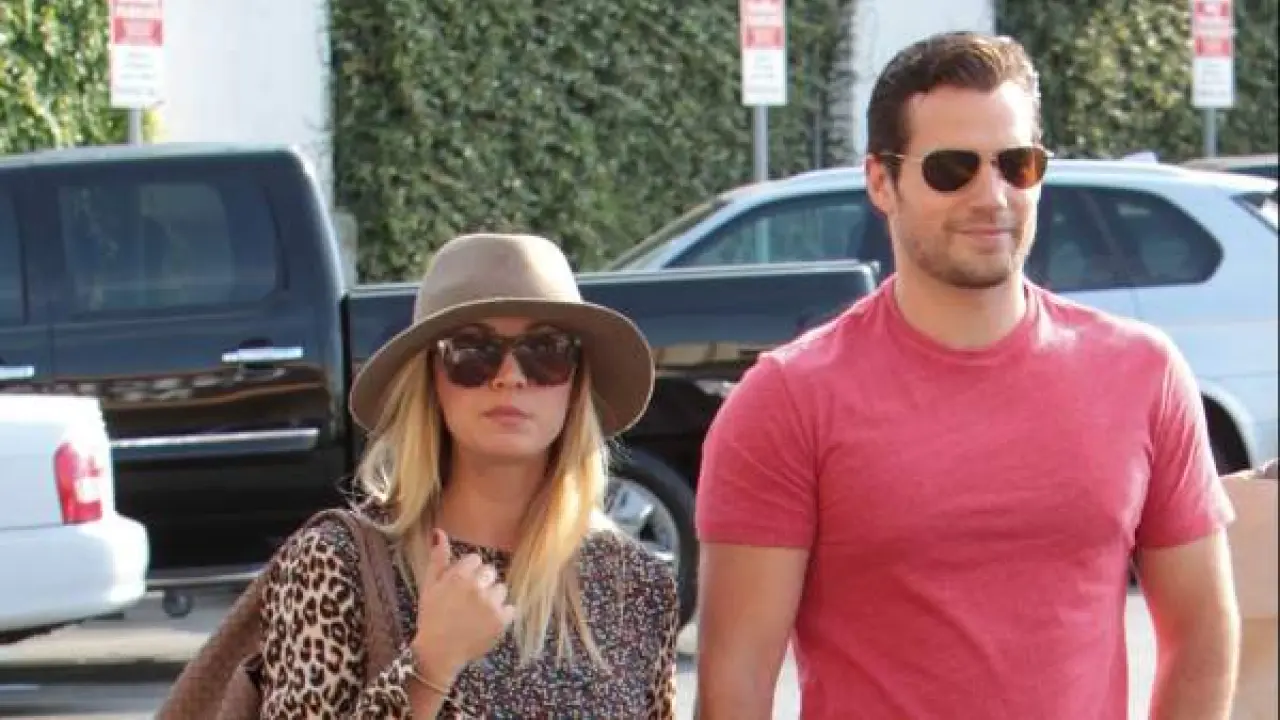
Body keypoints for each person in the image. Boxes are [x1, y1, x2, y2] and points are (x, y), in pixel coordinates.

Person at [693, 31, 1239, 720]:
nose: (992, 195)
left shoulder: (1143, 373)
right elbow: (736, 680)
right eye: (951, 169)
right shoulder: (788, 399)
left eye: (1017, 164)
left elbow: (1202, 632)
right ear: (880, 182)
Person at [255, 233, 680, 718]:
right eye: (473, 350)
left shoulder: (637, 585)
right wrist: (431, 664)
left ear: (576, 380)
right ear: (430, 378)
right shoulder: (336, 563)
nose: (510, 376)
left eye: (545, 349)